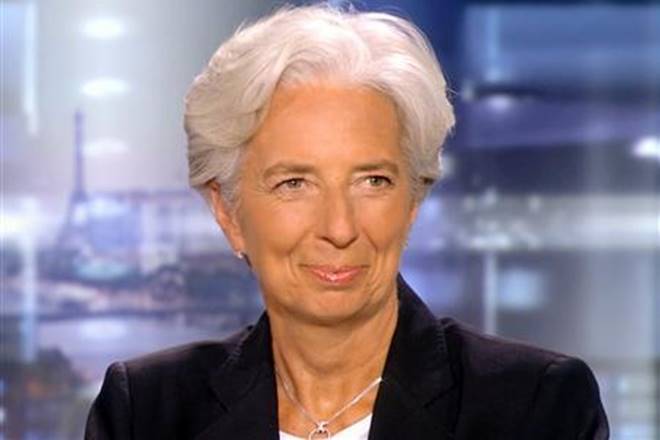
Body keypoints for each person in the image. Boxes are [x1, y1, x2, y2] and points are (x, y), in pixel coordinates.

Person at [85, 3, 609, 439]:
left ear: (412, 201)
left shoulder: (537, 407)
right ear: (228, 212)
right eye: (294, 183)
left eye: (372, 181)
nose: (339, 228)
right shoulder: (147, 413)